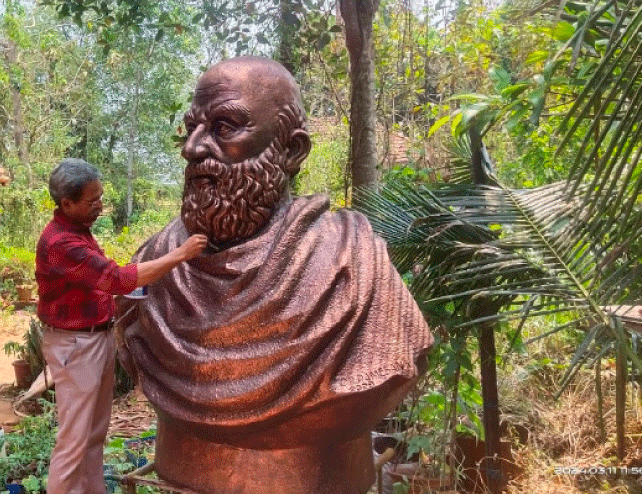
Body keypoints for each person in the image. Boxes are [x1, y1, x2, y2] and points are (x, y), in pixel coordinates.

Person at [118, 57, 433, 494]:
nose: (192, 148)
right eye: (190, 128)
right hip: (183, 463)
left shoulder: (355, 263)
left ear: (291, 150)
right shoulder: (155, 264)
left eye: (224, 127)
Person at [36, 158, 206, 494]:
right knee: (74, 439)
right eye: (92, 201)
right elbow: (115, 279)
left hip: (93, 340)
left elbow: (103, 280)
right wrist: (179, 255)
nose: (100, 206)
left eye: (100, 198)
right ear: (66, 203)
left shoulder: (78, 232)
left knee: (95, 432)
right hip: (75, 346)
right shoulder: (60, 243)